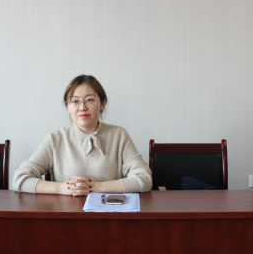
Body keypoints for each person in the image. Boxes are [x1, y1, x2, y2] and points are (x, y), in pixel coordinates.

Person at [12, 75, 152, 196]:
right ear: (68, 107)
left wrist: (98, 187)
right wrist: (61, 188)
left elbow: (144, 178)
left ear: (103, 104)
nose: (82, 107)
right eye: (75, 101)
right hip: (67, 214)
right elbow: (20, 179)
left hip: (108, 213)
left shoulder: (118, 135)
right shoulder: (56, 138)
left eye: (90, 100)